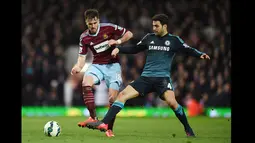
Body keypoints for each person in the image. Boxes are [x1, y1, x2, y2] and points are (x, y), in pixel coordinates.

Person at [86, 13, 210, 137]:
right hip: (146, 78)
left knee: (173, 103)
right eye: (153, 26)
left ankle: (188, 129)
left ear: (165, 26)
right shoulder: (149, 38)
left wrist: (200, 54)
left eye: (156, 26)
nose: (154, 28)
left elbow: (187, 49)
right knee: (122, 95)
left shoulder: (174, 40)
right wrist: (119, 49)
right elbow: (135, 48)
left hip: (162, 79)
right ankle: (104, 123)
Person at [70, 9, 133, 137]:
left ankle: (109, 129)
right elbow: (81, 58)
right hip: (97, 65)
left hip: (113, 66)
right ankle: (93, 118)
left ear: (98, 20)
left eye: (94, 23)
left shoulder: (109, 27)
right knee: (86, 83)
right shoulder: (84, 37)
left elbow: (129, 34)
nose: (93, 26)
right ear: (86, 23)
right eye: (90, 24)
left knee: (112, 98)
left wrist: (118, 42)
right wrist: (77, 66)